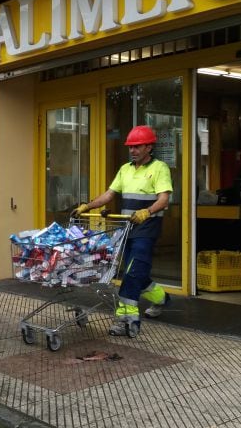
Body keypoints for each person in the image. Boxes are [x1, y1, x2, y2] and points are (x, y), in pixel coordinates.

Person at [72, 125, 173, 335]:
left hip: (147, 228)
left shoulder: (160, 168)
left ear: (149, 147)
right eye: (131, 147)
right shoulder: (125, 169)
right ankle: (162, 298)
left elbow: (164, 199)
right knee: (135, 271)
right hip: (128, 228)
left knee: (132, 271)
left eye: (137, 147)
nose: (133, 150)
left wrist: (148, 211)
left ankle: (126, 318)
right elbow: (109, 195)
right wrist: (87, 206)